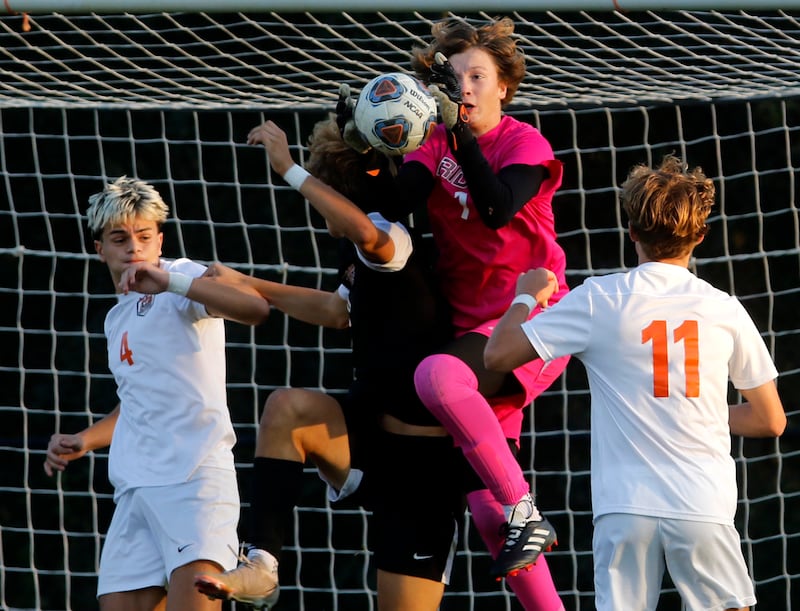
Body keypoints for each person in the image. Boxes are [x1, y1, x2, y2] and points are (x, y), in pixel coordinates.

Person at [484, 154, 787, 611]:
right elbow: (771, 420)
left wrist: (527, 294)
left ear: (632, 233)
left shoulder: (599, 298)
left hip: (624, 507)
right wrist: (694, 409)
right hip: (702, 501)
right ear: (700, 236)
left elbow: (497, 354)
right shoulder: (723, 308)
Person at [194, 117, 466, 611]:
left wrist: (290, 170)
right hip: (367, 434)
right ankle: (262, 564)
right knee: (287, 409)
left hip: (422, 471)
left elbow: (367, 231)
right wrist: (248, 284)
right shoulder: (354, 250)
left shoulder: (389, 231)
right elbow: (339, 310)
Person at [348, 16, 571, 581]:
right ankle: (518, 518)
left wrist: (463, 139)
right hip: (472, 328)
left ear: (504, 87)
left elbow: (497, 207)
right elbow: (395, 209)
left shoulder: (525, 142)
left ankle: (528, 510)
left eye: (477, 76)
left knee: (435, 379)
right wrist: (372, 152)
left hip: (533, 315)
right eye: (454, 77)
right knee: (486, 511)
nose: (464, 87)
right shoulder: (435, 143)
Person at [43, 177, 270, 610]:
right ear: (100, 249)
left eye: (145, 236)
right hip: (134, 490)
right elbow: (136, 403)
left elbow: (256, 309)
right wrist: (84, 440)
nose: (134, 247)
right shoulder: (115, 320)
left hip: (194, 481)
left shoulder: (181, 277)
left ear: (159, 240)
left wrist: (170, 284)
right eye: (120, 238)